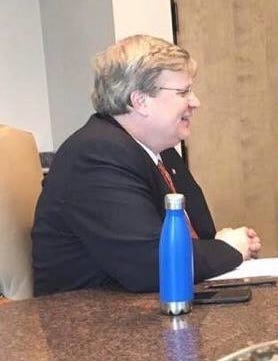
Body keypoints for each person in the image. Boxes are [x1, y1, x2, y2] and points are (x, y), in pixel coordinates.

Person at [32, 35, 261, 296]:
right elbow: (151, 263)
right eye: (184, 92)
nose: (195, 102)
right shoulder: (95, 154)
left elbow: (203, 235)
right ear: (140, 101)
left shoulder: (161, 151)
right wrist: (229, 249)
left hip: (152, 309)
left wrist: (224, 245)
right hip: (94, 324)